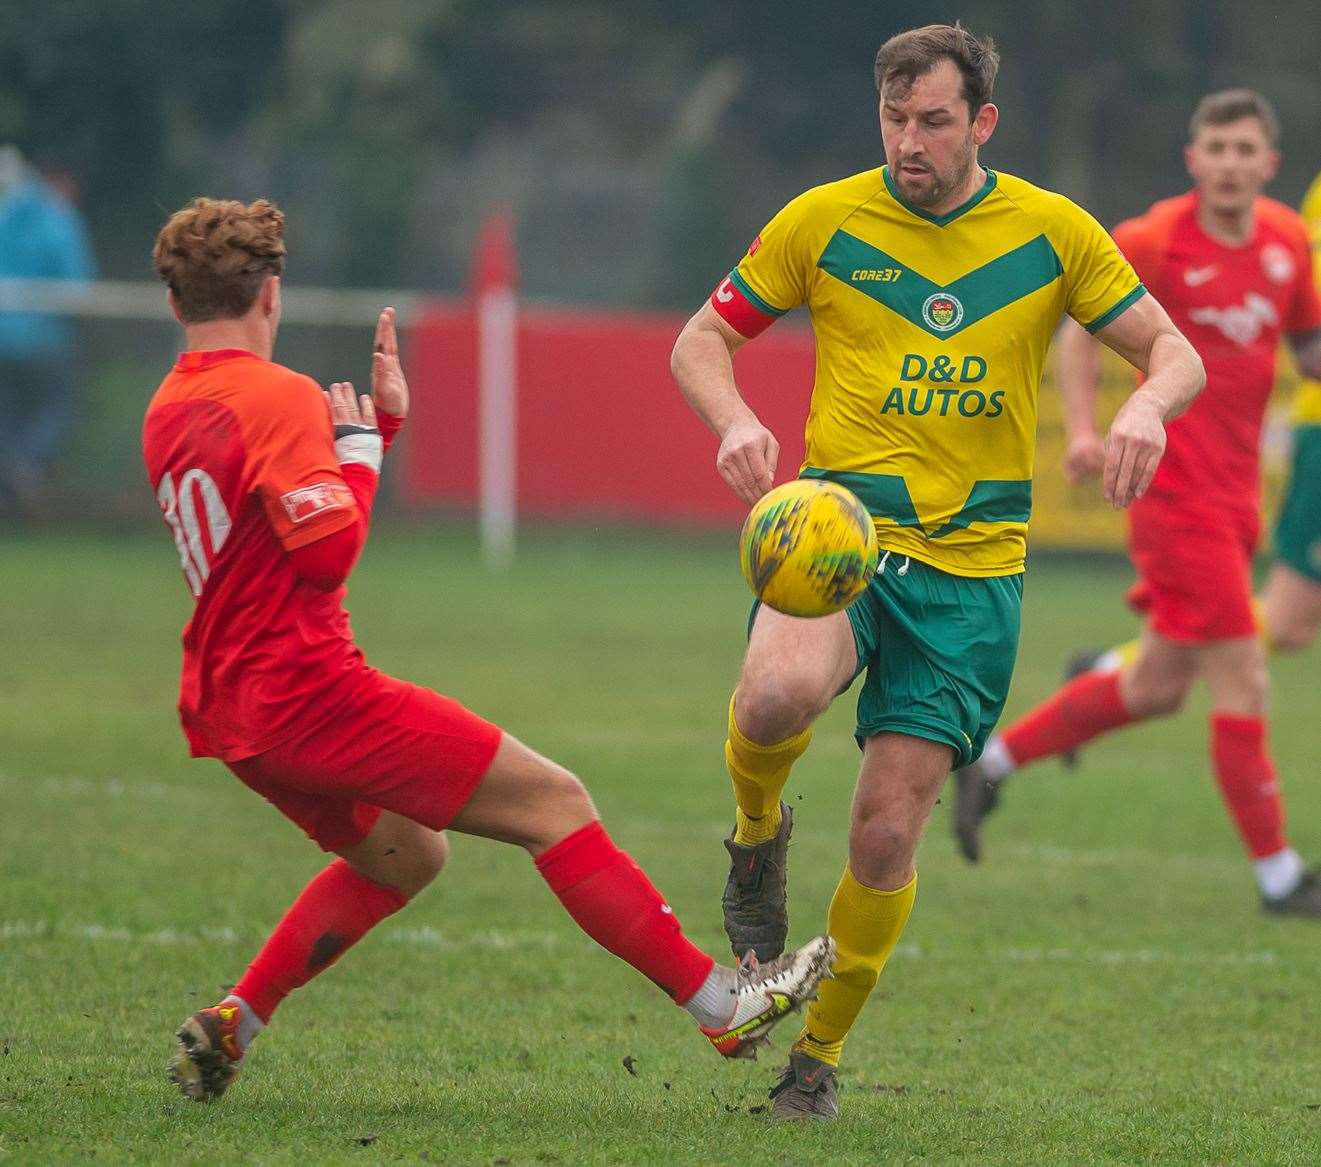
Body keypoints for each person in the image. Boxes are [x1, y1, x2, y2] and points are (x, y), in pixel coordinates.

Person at [144, 197, 834, 1103]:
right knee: (554, 802)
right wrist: (361, 448)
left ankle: (237, 1018)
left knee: (407, 857)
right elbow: (326, 556)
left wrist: (372, 432)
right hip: (311, 693)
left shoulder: (169, 403)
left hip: (233, 709)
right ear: (270, 293)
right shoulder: (274, 397)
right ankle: (721, 1004)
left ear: (173, 304)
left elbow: (269, 546)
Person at [670, 23, 1203, 1120]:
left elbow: (1173, 350)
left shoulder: (1052, 233)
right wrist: (731, 423)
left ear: (982, 123)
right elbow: (699, 342)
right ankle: (757, 840)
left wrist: (1145, 403)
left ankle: (812, 1061)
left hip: (970, 575)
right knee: (770, 699)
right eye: (892, 119)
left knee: (881, 830)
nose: (908, 142)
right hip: (839, 536)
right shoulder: (823, 220)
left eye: (933, 122)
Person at [953, 93, 1321, 917]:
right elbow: (1077, 328)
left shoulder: (1285, 243)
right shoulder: (1151, 240)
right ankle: (1280, 877)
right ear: (1192, 159)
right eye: (1214, 147)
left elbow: (1308, 348)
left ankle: (994, 762)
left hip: (1238, 497)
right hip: (1170, 493)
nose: (1229, 162)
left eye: (1245, 150)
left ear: (1269, 166)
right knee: (1244, 673)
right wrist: (1084, 429)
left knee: (1156, 684)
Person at [0, 144, 94, 520]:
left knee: (8, 412)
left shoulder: (7, 214)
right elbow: (78, 286)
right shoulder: (59, 219)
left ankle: (10, 470)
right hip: (43, 341)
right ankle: (25, 464)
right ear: (64, 181)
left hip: (2, 339)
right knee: (59, 404)